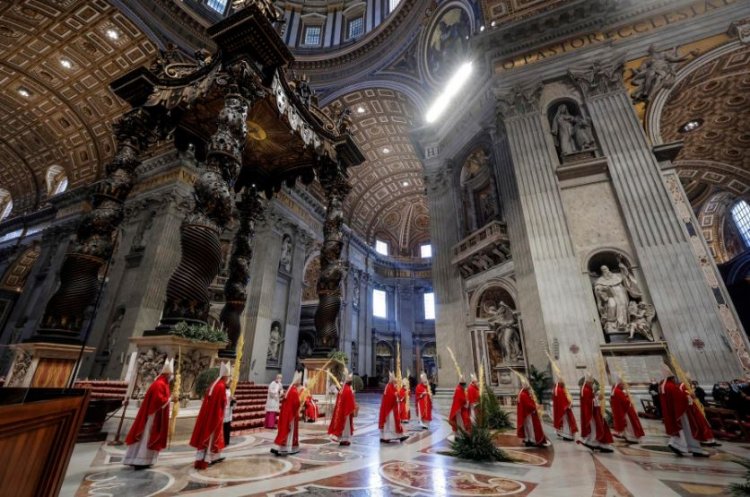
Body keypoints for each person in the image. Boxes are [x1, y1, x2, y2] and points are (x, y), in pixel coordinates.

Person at [124, 358, 173, 469]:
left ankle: (142, 458)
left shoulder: (162, 383)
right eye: (170, 374)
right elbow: (158, 401)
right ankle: (140, 459)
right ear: (167, 374)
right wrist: (170, 399)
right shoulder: (159, 384)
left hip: (154, 414)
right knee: (147, 436)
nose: (171, 377)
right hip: (153, 415)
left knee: (147, 436)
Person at [659, 364, 709, 457]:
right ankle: (678, 445)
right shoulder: (671, 386)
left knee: (683, 430)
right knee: (687, 429)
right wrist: (690, 397)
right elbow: (679, 398)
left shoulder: (663, 386)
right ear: (671, 377)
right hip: (681, 412)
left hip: (674, 412)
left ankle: (688, 447)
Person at [191, 361, 230, 469]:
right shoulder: (221, 386)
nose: (229, 379)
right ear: (225, 376)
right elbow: (222, 402)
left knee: (207, 436)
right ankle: (208, 458)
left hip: (209, 414)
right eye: (228, 376)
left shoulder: (214, 384)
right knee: (212, 437)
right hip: (215, 415)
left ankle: (209, 457)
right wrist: (228, 401)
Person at [580, 373, 613, 453]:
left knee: (598, 426)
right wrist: (598, 398)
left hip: (594, 412)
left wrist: (596, 396)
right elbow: (589, 402)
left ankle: (597, 442)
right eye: (591, 383)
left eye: (592, 383)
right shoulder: (586, 390)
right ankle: (593, 442)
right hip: (591, 413)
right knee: (595, 428)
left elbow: (591, 398)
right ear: (587, 382)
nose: (592, 384)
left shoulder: (587, 388)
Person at [681, 379, 720, 448]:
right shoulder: (686, 390)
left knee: (704, 424)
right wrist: (692, 396)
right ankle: (706, 440)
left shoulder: (696, 389)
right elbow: (689, 401)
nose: (691, 385)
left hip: (699, 408)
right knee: (701, 424)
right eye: (690, 383)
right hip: (694, 410)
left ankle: (710, 440)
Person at [272, 370, 302, 455]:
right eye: (299, 381)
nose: (299, 382)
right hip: (291, 415)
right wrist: (300, 401)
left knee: (284, 431)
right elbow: (296, 403)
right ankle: (287, 448)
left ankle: (279, 447)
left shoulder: (290, 388)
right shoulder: (294, 391)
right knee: (289, 432)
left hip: (286, 413)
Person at [610, 373, 644, 444]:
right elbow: (625, 402)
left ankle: (625, 435)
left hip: (620, 411)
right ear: (619, 384)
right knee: (629, 425)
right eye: (623, 384)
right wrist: (628, 398)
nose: (624, 386)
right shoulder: (618, 391)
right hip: (625, 411)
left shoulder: (614, 390)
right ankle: (631, 437)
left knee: (626, 426)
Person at [517, 376, 549, 447]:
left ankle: (528, 439)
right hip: (528, 413)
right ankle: (532, 440)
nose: (528, 386)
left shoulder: (523, 392)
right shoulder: (523, 394)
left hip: (526, 413)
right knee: (531, 427)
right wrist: (536, 407)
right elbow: (528, 404)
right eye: (526, 384)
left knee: (528, 427)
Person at [328, 370, 357, 446]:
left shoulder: (343, 389)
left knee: (342, 426)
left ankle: (342, 439)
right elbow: (350, 400)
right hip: (346, 411)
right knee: (346, 427)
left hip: (342, 411)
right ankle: (345, 440)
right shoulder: (347, 389)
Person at [379, 372, 407, 443]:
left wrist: (397, 395)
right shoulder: (388, 386)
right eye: (394, 380)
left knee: (394, 423)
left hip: (393, 408)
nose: (395, 382)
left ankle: (399, 436)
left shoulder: (392, 386)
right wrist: (395, 395)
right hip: (389, 409)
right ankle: (389, 437)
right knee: (391, 423)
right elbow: (389, 397)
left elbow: (395, 394)